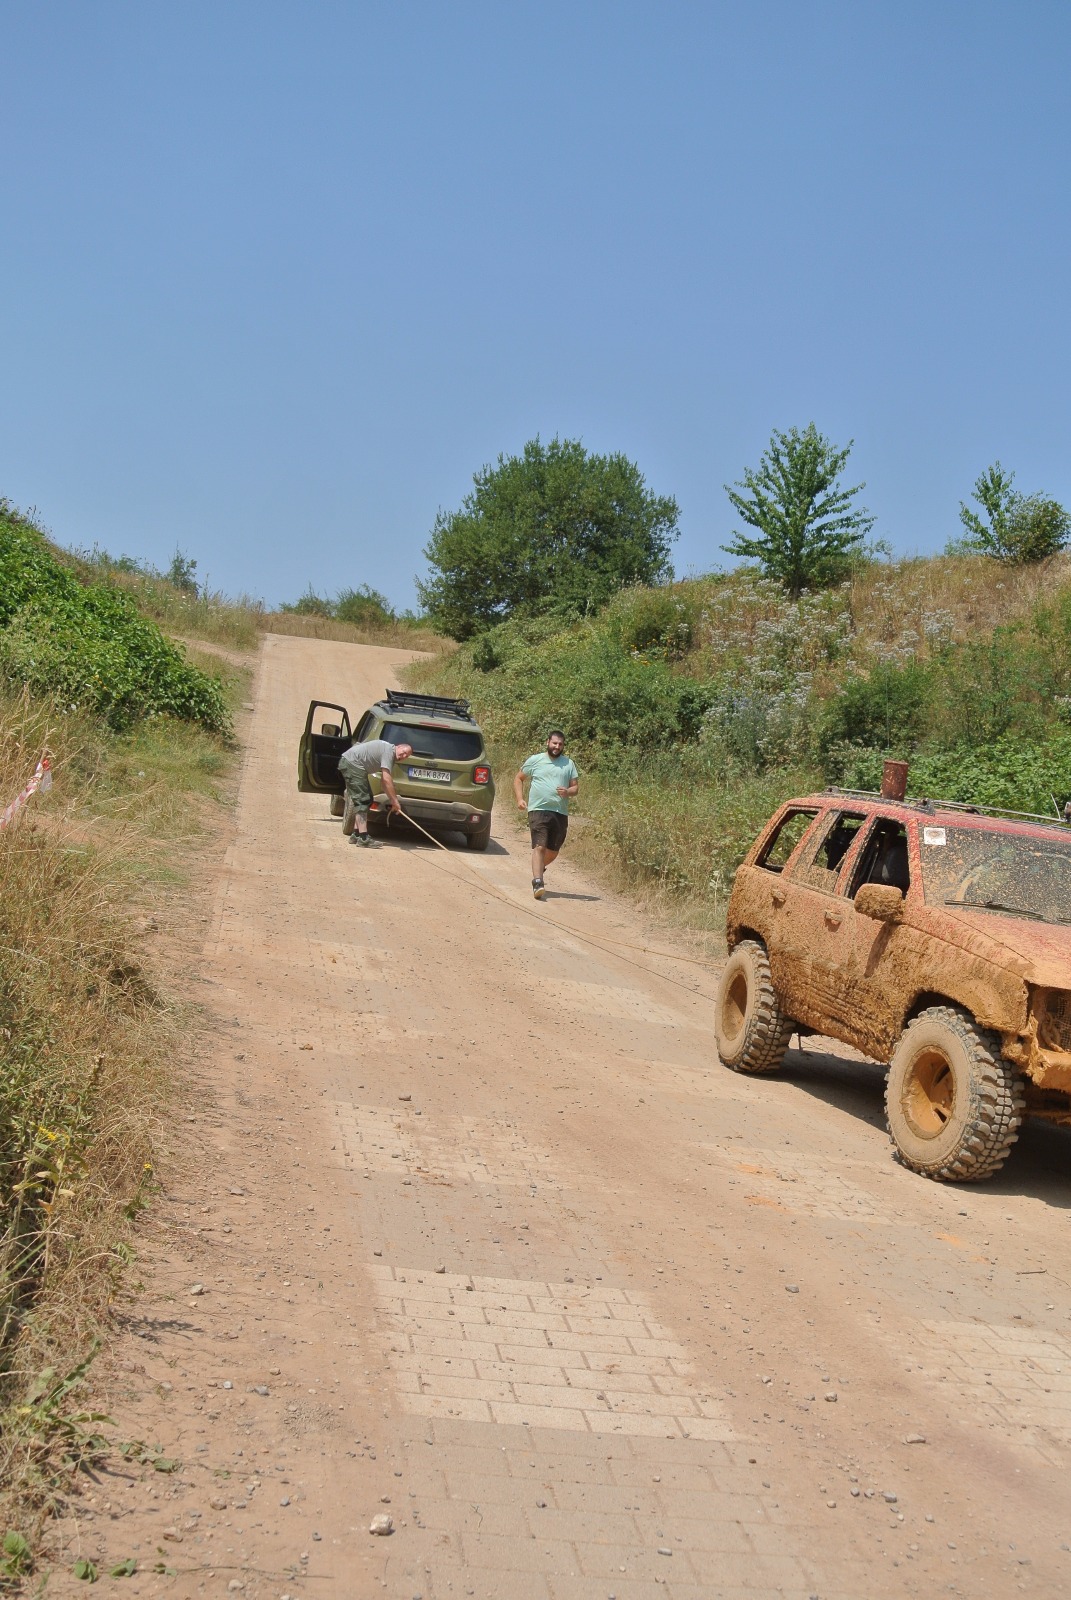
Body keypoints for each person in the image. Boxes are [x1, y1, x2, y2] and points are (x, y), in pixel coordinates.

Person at [513, 729, 579, 899]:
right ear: (547, 742)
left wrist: (567, 791)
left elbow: (575, 788)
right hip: (538, 810)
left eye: (560, 744)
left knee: (553, 851)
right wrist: (520, 799)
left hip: (559, 812)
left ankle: (539, 867)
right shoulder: (535, 760)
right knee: (539, 846)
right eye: (554, 743)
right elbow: (518, 778)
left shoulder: (568, 764)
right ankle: (537, 882)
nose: (557, 747)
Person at [338, 736, 413, 847]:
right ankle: (364, 839)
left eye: (407, 756)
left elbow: (384, 781)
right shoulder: (389, 752)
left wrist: (392, 800)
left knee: (368, 799)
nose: (404, 756)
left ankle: (356, 834)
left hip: (354, 765)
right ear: (399, 746)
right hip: (352, 764)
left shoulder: (389, 755)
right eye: (404, 752)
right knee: (362, 801)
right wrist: (395, 801)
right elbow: (387, 779)